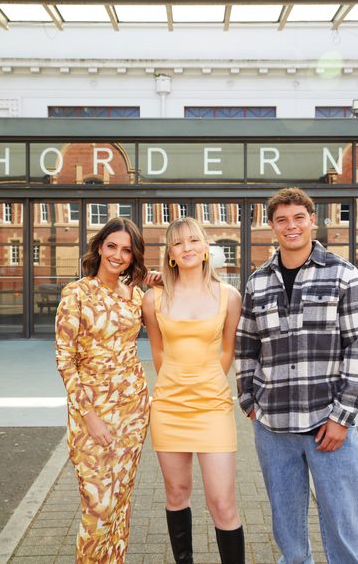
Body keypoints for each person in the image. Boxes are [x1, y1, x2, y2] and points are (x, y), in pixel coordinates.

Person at [236, 188, 358, 564]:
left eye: (298, 218)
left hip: (327, 426)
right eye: (282, 220)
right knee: (287, 531)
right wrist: (249, 402)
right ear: (272, 227)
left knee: (344, 526)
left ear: (312, 220)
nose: (290, 226)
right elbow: (246, 347)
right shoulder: (257, 282)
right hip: (273, 427)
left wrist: (342, 418)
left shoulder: (344, 275)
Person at [55, 217, 160, 564]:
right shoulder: (77, 293)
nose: (118, 255)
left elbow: (173, 315)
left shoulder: (136, 296)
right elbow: (65, 361)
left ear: (133, 257)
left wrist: (164, 281)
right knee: (98, 505)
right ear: (100, 246)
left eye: (126, 250)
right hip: (92, 415)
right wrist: (90, 418)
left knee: (120, 501)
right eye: (112, 246)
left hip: (133, 410)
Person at [143, 217, 245, 564]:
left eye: (193, 241)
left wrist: (205, 382)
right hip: (169, 408)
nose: (186, 248)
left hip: (213, 408)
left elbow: (228, 350)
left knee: (223, 503)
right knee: (177, 493)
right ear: (170, 254)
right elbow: (157, 351)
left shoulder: (229, 296)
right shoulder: (153, 298)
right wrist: (176, 382)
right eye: (178, 243)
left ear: (205, 248)